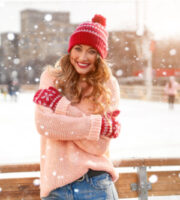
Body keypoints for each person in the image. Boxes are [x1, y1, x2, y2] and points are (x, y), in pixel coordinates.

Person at [33, 14, 121, 200]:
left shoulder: (108, 85)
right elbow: (44, 125)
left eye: (91, 51)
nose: (82, 57)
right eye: (78, 48)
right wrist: (95, 125)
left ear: (100, 56)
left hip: (96, 184)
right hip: (56, 187)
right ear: (70, 49)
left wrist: (60, 106)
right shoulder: (51, 78)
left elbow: (99, 145)